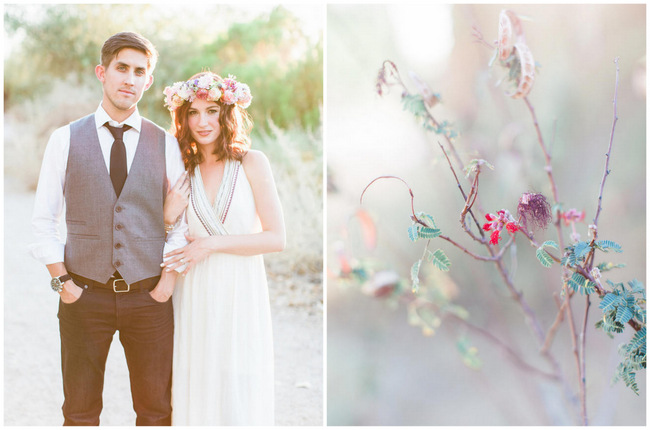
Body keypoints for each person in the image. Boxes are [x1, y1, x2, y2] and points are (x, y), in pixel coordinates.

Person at [29, 32, 187, 426]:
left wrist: (166, 284)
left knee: (156, 412)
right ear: (103, 72)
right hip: (83, 295)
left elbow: (184, 222)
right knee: (79, 413)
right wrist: (62, 283)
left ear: (148, 80)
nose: (129, 79)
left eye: (139, 71)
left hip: (149, 297)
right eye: (121, 68)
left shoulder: (167, 144)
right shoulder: (64, 139)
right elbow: (43, 220)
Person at [161, 72, 285, 425]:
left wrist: (212, 244)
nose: (202, 121)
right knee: (196, 387)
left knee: (238, 391)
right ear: (182, 118)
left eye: (212, 110)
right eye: (194, 112)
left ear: (226, 112)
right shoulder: (182, 170)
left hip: (240, 291)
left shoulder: (251, 163)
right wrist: (167, 216)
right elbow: (168, 236)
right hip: (194, 292)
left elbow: (277, 237)